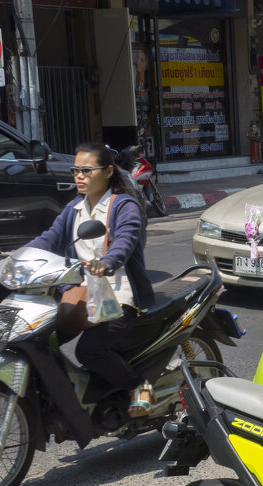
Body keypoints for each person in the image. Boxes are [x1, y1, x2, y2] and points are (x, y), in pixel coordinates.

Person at [25, 144, 157, 417]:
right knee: (38, 340)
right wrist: (16, 256)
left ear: (108, 171)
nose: (79, 176)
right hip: (82, 294)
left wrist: (108, 262)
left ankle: (139, 384)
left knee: (89, 351)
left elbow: (126, 239)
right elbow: (49, 238)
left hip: (120, 297)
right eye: (76, 170)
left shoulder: (124, 205)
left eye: (87, 170)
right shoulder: (75, 207)